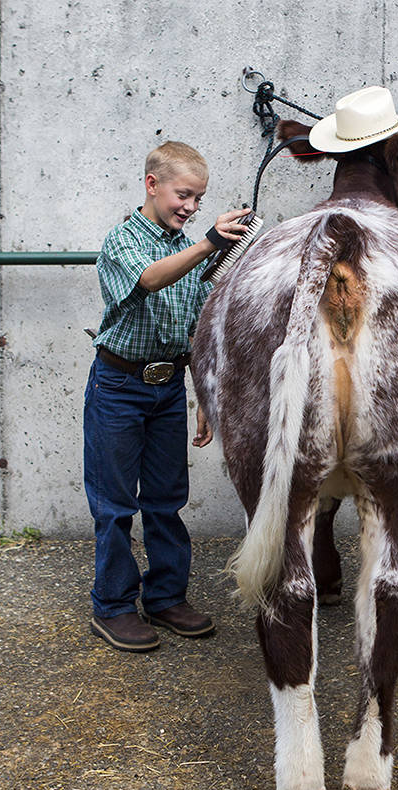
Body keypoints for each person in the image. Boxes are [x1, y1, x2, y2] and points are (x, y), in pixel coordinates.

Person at [85, 140, 251, 652]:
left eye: (199, 199)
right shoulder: (123, 241)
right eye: (183, 195)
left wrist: (204, 390)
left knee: (165, 499)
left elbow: (202, 323)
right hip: (118, 387)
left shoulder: (191, 245)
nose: (192, 207)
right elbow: (152, 280)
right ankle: (112, 607)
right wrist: (207, 242)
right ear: (152, 185)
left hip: (167, 389)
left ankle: (165, 597)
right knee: (115, 504)